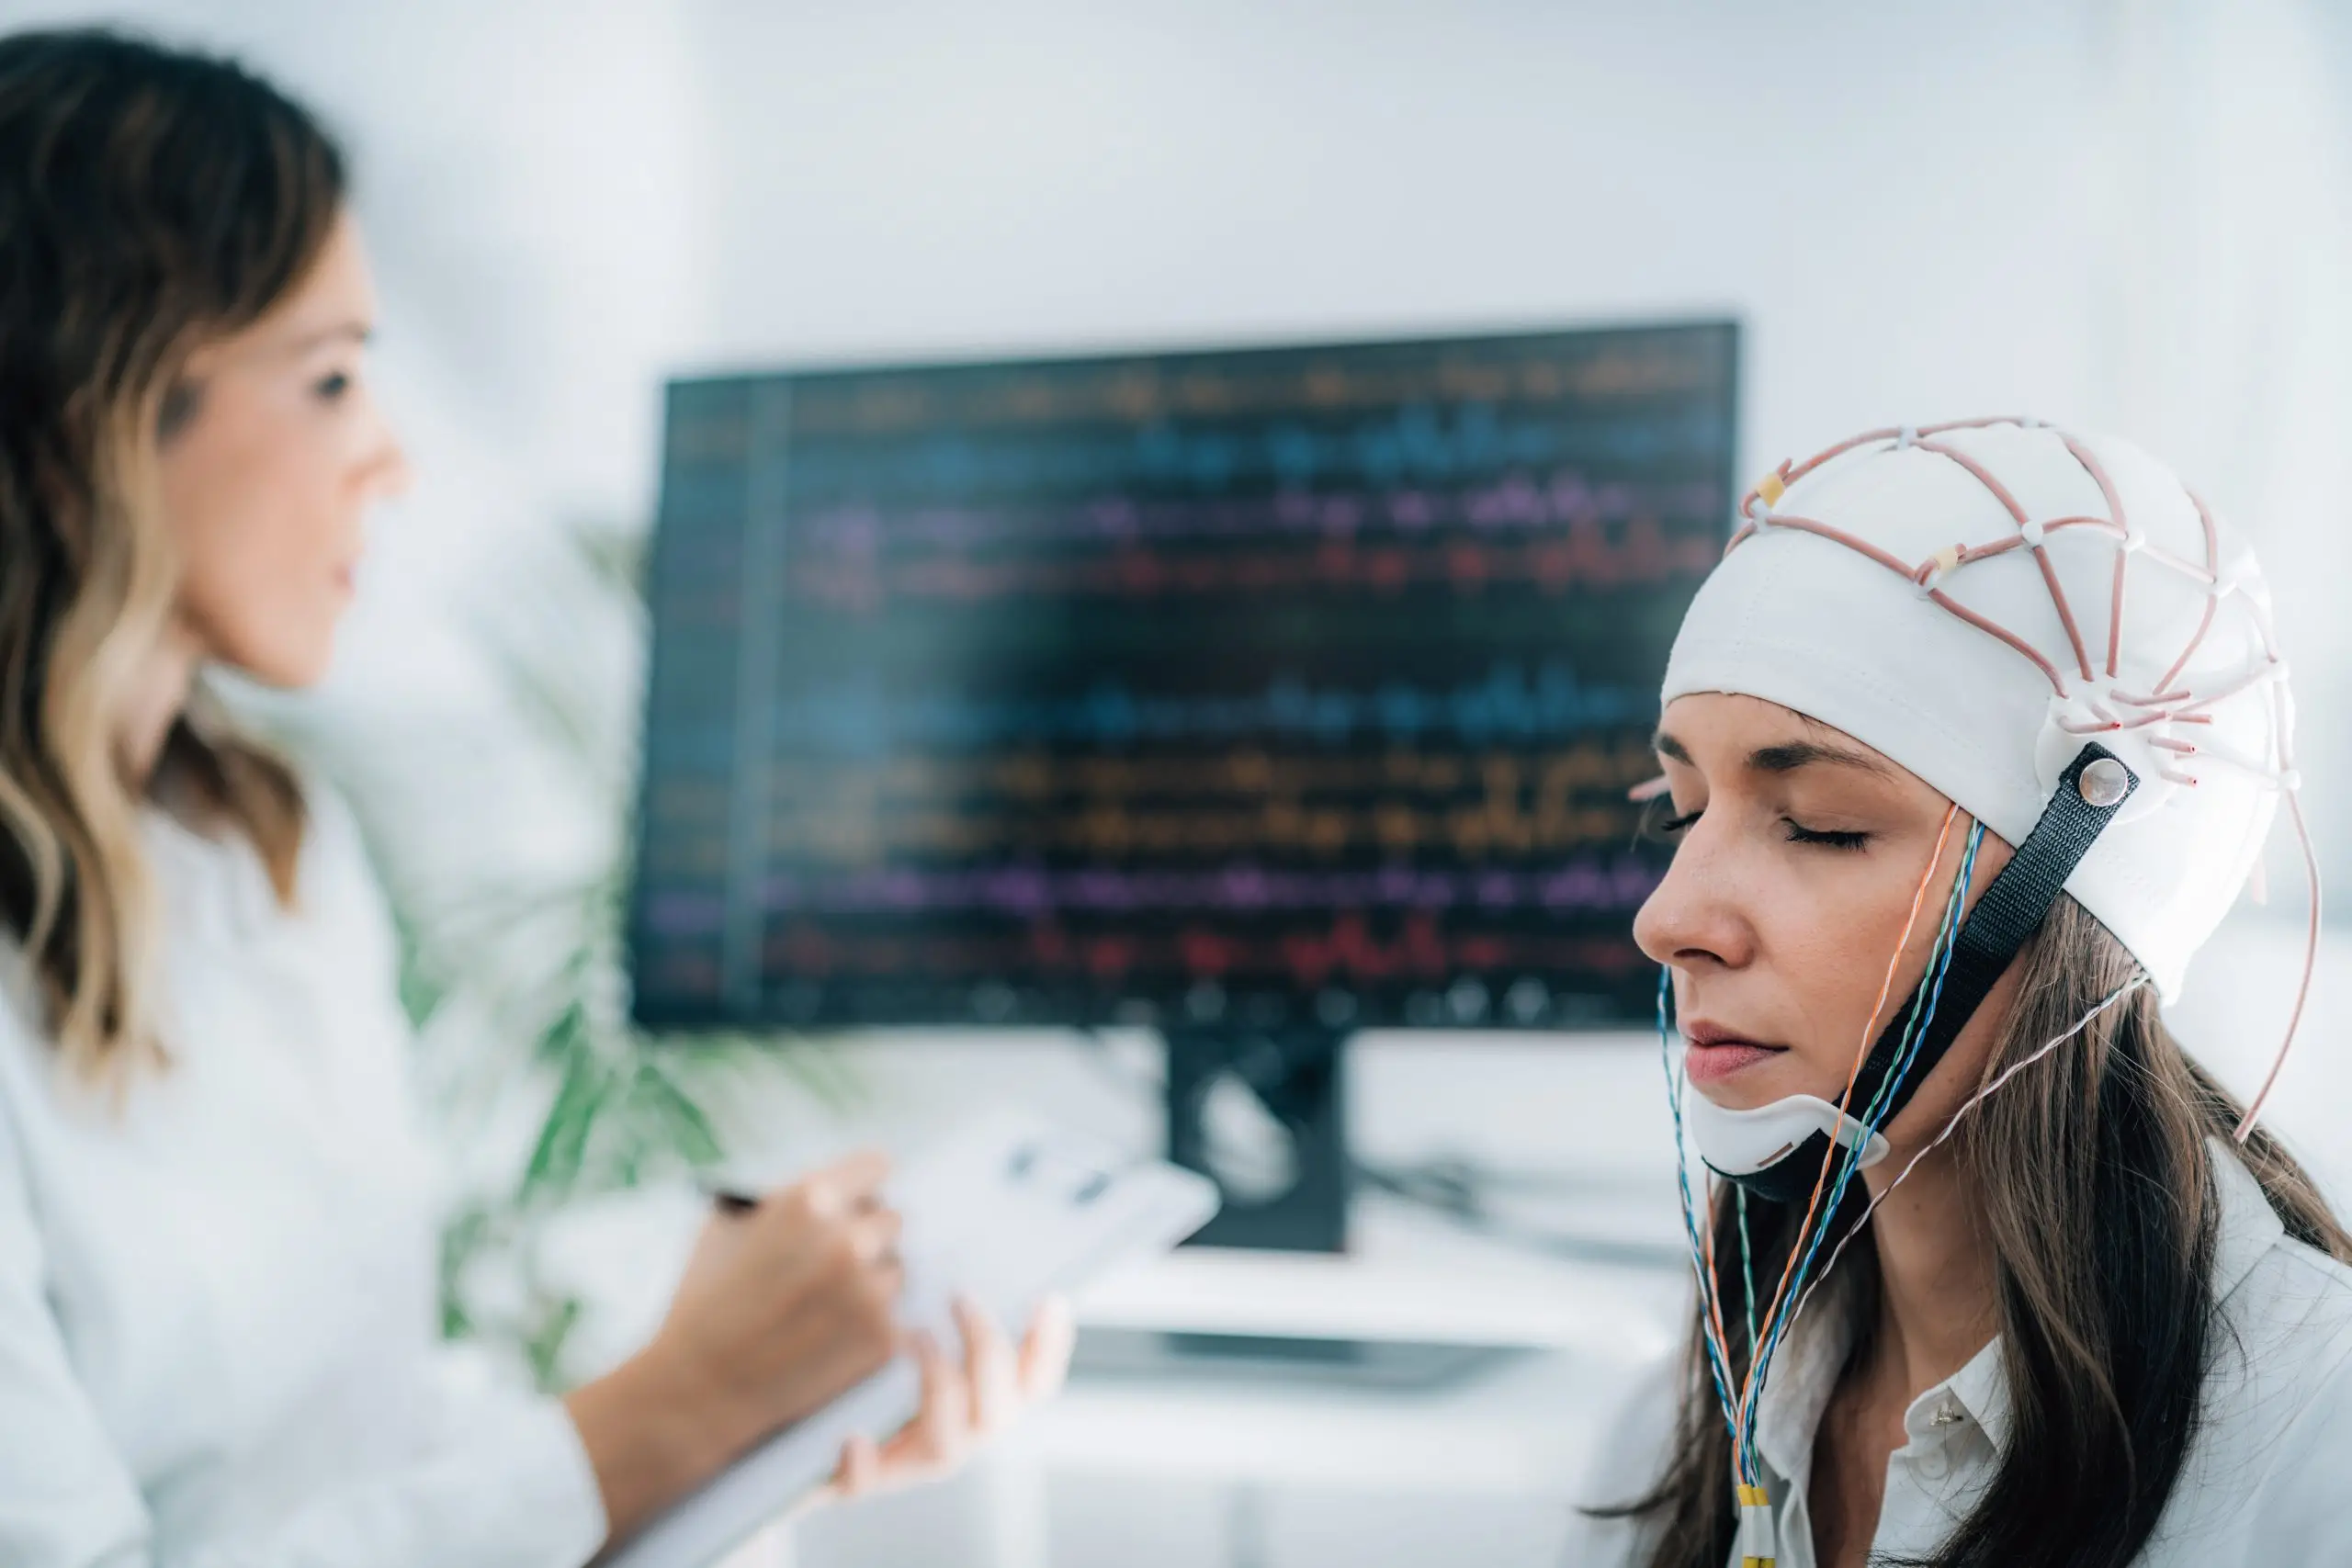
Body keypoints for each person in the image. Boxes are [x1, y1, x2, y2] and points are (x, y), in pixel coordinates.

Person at [0, 28, 1070, 1568]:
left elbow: (353, 1449)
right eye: (329, 378)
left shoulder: (267, 855)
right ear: (94, 413)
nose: (390, 458)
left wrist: (751, 1429)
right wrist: (666, 1414)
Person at [1562, 417, 2352, 1567]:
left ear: (2079, 871)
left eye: (1821, 828)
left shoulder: (2315, 1459)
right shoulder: (1687, 1417)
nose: (1666, 920)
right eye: (1681, 813)